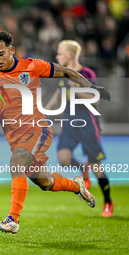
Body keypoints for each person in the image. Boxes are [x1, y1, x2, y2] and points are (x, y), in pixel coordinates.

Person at [0, 31, 110, 234]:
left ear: (12, 50)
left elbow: (66, 72)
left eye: (1, 53)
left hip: (37, 128)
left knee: (17, 163)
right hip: (14, 135)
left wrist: (92, 88)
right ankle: (76, 185)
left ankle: (13, 220)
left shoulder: (31, 66)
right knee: (44, 182)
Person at [45, 40, 113, 217]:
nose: (57, 56)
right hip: (69, 125)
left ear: (69, 55)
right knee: (63, 158)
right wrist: (43, 112)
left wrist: (76, 90)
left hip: (88, 125)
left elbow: (96, 99)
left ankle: (107, 202)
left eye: (59, 53)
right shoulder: (63, 75)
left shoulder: (87, 73)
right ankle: (83, 168)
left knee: (96, 166)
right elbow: (58, 95)